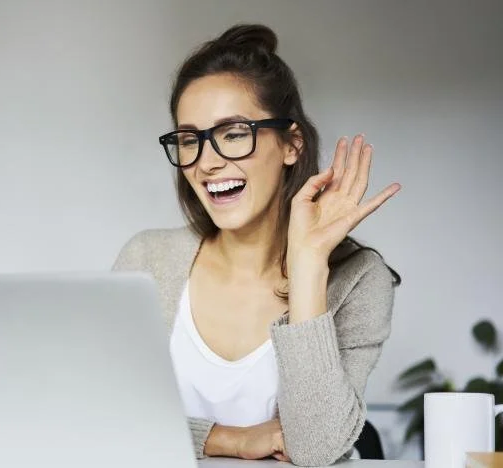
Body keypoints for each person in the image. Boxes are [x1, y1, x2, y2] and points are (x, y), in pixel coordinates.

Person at [112, 23, 401, 466]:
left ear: (291, 143)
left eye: (233, 133)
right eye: (190, 139)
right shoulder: (146, 260)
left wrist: (307, 267)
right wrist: (230, 439)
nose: (207, 162)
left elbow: (315, 448)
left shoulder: (361, 279)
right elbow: (111, 416)